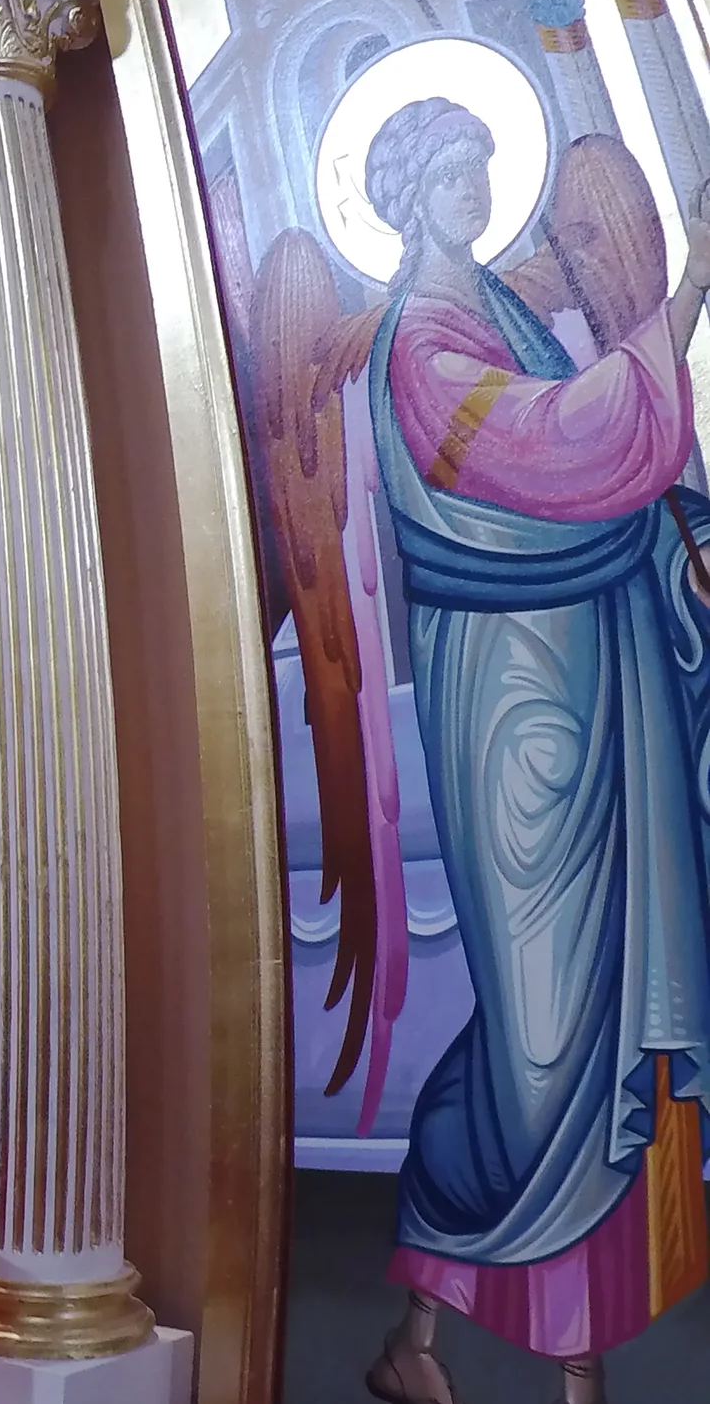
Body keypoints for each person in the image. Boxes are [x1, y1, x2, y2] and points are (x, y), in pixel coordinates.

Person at [357, 97, 710, 1404]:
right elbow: (561, 450)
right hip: (514, 708)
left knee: (588, 1009)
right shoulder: (419, 346)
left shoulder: (496, 306)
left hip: (576, 669)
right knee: (546, 1031)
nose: (472, 187)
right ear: (401, 193)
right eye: (448, 171)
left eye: (479, 167)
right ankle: (447, 1337)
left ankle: (508, 1353)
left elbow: (589, 444)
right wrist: (679, 305)